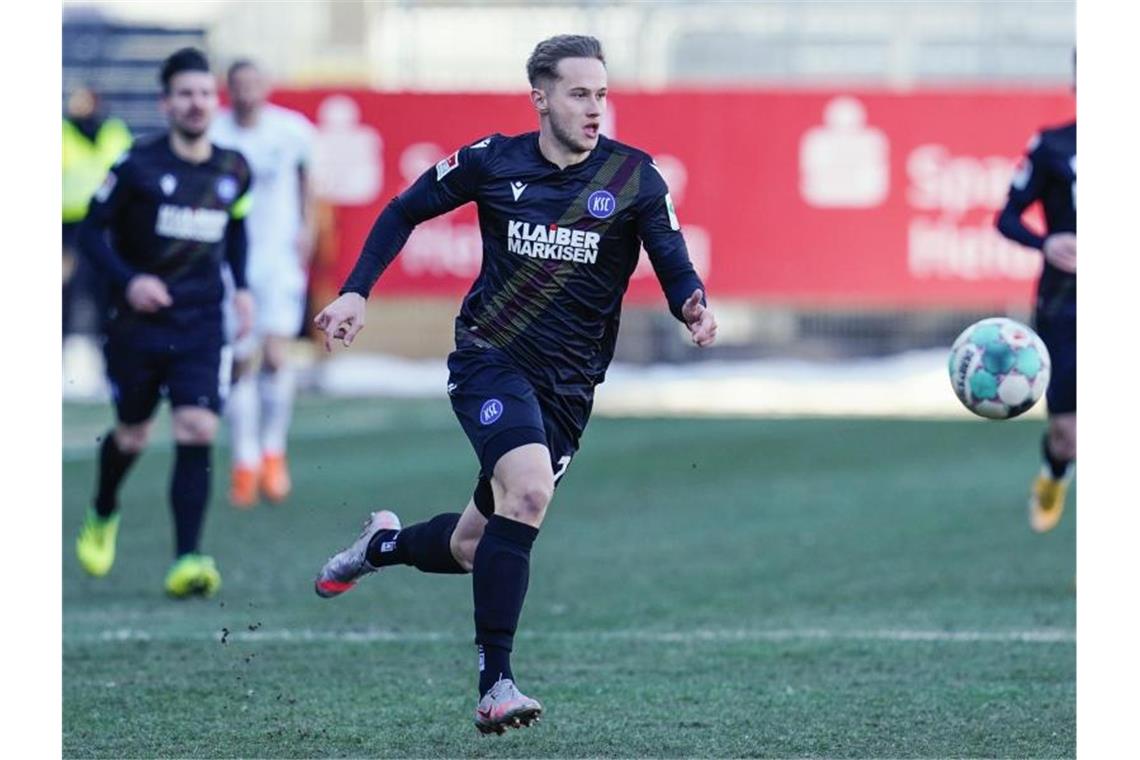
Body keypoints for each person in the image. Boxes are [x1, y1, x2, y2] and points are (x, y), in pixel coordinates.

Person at [311, 34, 718, 734]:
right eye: (579, 94)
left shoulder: (634, 178)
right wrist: (355, 293)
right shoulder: (491, 161)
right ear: (541, 97)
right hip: (488, 358)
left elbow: (672, 256)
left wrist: (692, 303)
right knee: (528, 491)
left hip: (569, 388)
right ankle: (496, 684)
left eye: (601, 94)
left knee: (475, 546)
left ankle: (377, 546)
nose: (596, 109)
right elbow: (404, 210)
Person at [73, 48, 254, 597]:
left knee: (198, 427)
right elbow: (89, 233)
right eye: (185, 94)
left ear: (212, 100)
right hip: (137, 325)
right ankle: (103, 511)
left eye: (204, 93)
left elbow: (237, 231)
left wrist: (241, 287)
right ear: (166, 102)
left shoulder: (233, 168)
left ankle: (188, 558)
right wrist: (130, 280)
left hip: (201, 322)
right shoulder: (136, 165)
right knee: (131, 433)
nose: (196, 103)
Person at [211, 59, 316, 508]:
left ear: (265, 86)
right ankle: (244, 460)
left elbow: (308, 182)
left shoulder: (291, 131)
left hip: (278, 262)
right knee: (239, 362)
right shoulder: (217, 133)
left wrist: (308, 230)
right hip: (231, 264)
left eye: (254, 83)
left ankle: (273, 451)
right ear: (228, 89)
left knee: (276, 356)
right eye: (238, 85)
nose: (246, 92)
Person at [995, 112, 1076, 533]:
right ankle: (1054, 470)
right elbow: (1006, 218)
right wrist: (1046, 242)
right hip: (1065, 303)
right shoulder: (1053, 146)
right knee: (1069, 435)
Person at [63, 84, 132, 336]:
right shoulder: (62, 133)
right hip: (70, 224)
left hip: (108, 223)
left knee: (107, 285)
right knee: (64, 287)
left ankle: (108, 342)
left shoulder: (115, 132)